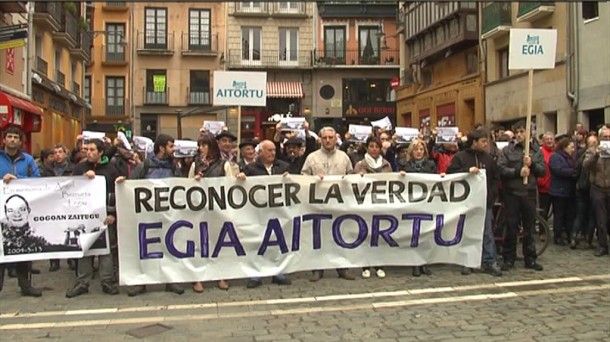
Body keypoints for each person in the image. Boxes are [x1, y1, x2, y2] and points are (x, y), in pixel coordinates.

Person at [119, 134, 185, 296]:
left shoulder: (174, 167)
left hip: (168, 216)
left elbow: (182, 186)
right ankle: (143, 282)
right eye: (171, 146)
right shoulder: (146, 165)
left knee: (169, 249)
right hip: (148, 217)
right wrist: (123, 182)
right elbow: (131, 184)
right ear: (161, 148)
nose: (173, 149)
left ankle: (171, 281)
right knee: (146, 249)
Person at [65, 139, 121, 298]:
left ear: (101, 152)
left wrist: (113, 214)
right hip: (85, 217)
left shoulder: (111, 170)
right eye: (86, 149)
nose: (87, 152)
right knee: (85, 249)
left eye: (91, 149)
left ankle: (107, 281)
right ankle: (82, 282)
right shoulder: (80, 168)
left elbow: (116, 194)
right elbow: (70, 189)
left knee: (107, 250)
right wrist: (82, 178)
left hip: (105, 218)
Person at [301, 126, 356, 282]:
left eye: (330, 137)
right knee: (319, 237)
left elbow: (351, 176)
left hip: (339, 205)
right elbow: (303, 177)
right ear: (320, 139)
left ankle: (342, 268)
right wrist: (313, 179)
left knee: (341, 236)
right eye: (324, 137)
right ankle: (318, 269)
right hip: (318, 205)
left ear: (335, 138)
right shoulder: (311, 158)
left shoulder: (344, 157)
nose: (327, 140)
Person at [237, 140, 293, 288]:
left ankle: (279, 273)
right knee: (257, 242)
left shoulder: (283, 167)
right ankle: (256, 275)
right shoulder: (250, 168)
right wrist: (241, 178)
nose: (273, 153)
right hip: (258, 214)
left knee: (279, 242)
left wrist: (290, 178)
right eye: (269, 150)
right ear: (260, 152)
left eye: (274, 150)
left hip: (278, 212)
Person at [447, 129, 502, 277]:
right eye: (483, 141)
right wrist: (466, 171)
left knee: (487, 232)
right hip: (465, 203)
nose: (486, 144)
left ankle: (489, 261)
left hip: (485, 203)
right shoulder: (460, 157)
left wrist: (492, 195)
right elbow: (450, 174)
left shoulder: (488, 159)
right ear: (474, 142)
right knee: (466, 231)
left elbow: (496, 178)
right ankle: (467, 261)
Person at [0, 126, 42, 297]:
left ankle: (25, 285)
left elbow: (37, 180)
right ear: (4, 140)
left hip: (22, 212)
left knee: (23, 248)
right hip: (1, 211)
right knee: (1, 249)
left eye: (15, 137)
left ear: (20, 141)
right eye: (9, 136)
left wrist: (19, 180)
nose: (12, 140)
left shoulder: (28, 160)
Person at [497, 121, 545, 271]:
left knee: (529, 228)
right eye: (516, 132)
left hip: (529, 193)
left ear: (529, 132)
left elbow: (542, 171)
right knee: (511, 226)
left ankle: (530, 258)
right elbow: (501, 169)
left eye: (522, 131)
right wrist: (518, 171)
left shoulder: (536, 151)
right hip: (512, 194)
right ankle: (509, 258)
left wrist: (532, 165)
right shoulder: (507, 150)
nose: (519, 135)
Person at [354, 136, 392, 279]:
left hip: (381, 204)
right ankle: (365, 265)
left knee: (380, 235)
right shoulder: (359, 165)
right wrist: (358, 176)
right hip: (365, 205)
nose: (374, 149)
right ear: (367, 148)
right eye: (371, 146)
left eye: (377, 146)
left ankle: (379, 265)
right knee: (366, 234)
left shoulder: (386, 165)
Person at [189, 133, 221, 293]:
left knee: (217, 243)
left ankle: (220, 275)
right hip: (199, 210)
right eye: (199, 145)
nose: (201, 148)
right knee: (199, 243)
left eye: (204, 145)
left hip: (216, 209)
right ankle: (198, 278)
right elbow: (187, 185)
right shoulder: (195, 164)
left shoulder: (223, 165)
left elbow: (230, 184)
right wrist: (194, 180)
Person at [583, 126, 610, 257]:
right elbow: (586, 165)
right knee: (601, 220)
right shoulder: (592, 150)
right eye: (605, 137)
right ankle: (602, 245)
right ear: (600, 138)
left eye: (609, 137)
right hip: (597, 188)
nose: (608, 139)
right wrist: (596, 155)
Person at [548, 137, 577, 246]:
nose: (573, 149)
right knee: (559, 215)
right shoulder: (556, 157)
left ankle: (568, 234)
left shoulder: (569, 158)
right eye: (571, 147)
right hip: (558, 191)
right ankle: (558, 236)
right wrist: (572, 172)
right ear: (564, 147)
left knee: (569, 215)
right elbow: (558, 170)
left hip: (568, 190)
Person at [537, 132, 555, 223]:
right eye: (547, 139)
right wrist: (542, 182)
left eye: (551, 139)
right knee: (543, 212)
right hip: (543, 188)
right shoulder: (540, 153)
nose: (549, 141)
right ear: (543, 141)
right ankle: (542, 233)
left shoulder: (555, 152)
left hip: (554, 188)